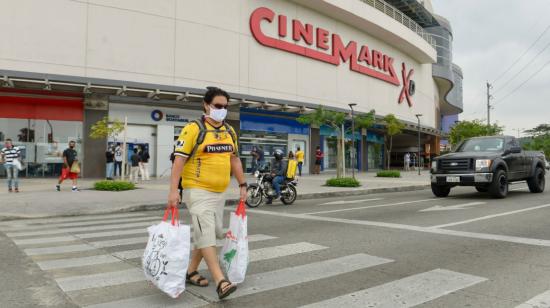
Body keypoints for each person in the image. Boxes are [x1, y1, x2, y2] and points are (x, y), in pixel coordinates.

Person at [168, 86, 246, 300]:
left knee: (212, 232)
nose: (222, 110)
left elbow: (234, 159)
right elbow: (179, 160)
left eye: (225, 107)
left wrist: (242, 184)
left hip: (220, 192)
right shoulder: (193, 129)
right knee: (207, 233)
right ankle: (221, 281)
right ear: (206, 105)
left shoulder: (229, 131)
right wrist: (174, 190)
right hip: (197, 190)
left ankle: (190, 271)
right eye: (217, 106)